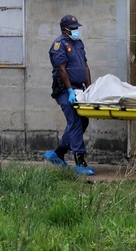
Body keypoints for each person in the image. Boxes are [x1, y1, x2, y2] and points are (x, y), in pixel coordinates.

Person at [42, 14, 95, 175]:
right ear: (64, 30)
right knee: (75, 122)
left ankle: (57, 153)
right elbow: (61, 69)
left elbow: (85, 65)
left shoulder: (78, 43)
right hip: (66, 91)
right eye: (73, 29)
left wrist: (89, 87)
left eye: (76, 28)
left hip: (80, 89)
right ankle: (80, 161)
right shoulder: (59, 45)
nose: (75, 31)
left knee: (83, 121)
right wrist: (70, 90)